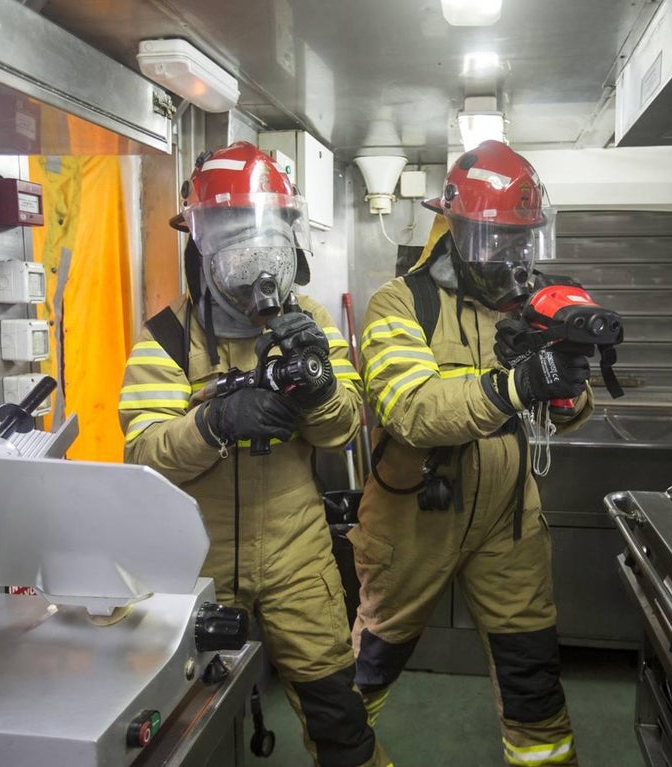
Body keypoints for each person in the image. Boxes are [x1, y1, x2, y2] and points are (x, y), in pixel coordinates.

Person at [118, 142, 390, 767]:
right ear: (204, 244)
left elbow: (342, 430)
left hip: (298, 553)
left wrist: (319, 386)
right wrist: (213, 423)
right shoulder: (167, 338)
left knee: (338, 716)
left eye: (267, 237)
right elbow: (144, 453)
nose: (259, 262)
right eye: (238, 239)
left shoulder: (310, 323)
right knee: (186, 725)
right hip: (197, 561)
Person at [351, 140, 591, 766]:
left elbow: (567, 409)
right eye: (493, 240)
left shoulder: (532, 306)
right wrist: (517, 384)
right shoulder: (400, 302)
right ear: (455, 232)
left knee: (531, 674)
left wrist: (564, 387)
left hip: (509, 523)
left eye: (520, 240)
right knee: (370, 667)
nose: (509, 257)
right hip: (412, 522)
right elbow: (412, 409)